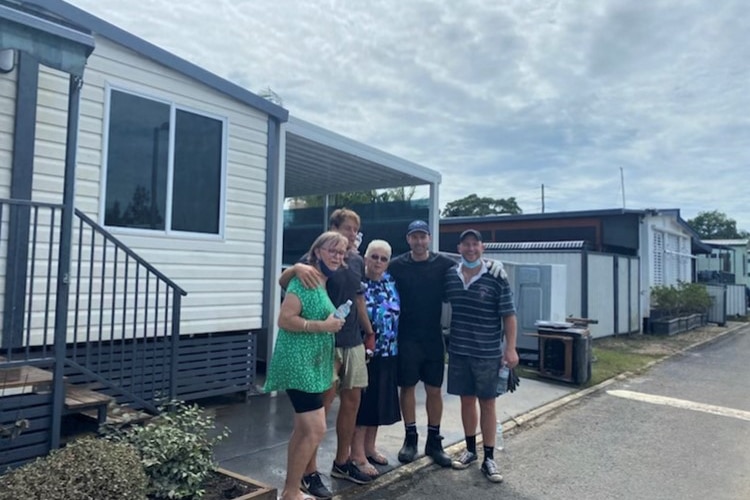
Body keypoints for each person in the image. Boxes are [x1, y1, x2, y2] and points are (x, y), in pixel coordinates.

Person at [279, 208, 374, 498]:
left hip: (348, 340)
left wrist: (369, 332)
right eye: (346, 228)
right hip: (318, 347)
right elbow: (285, 288)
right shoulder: (310, 268)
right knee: (318, 414)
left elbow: (358, 299)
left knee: (349, 402)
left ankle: (341, 463)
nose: (350, 236)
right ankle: (308, 474)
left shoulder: (352, 261)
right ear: (332, 228)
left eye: (354, 232)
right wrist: (296, 268)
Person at [264, 231, 349, 500]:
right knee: (316, 429)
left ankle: (291, 491)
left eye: (341, 252)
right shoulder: (305, 280)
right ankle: (291, 493)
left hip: (312, 367)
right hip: (297, 365)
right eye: (332, 251)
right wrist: (323, 326)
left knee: (303, 430)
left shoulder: (321, 281)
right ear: (317, 252)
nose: (337, 256)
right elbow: (284, 319)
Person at [444, 229, 518, 484]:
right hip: (460, 350)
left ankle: (489, 457)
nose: (471, 249)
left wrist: (510, 348)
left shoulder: (497, 276)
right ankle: (470, 450)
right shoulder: (451, 277)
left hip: (487, 353)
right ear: (459, 248)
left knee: (487, 403)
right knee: (466, 401)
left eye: (475, 244)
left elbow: (509, 315)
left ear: (482, 247)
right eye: (466, 245)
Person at [350, 239, 401, 477]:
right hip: (364, 353)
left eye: (383, 258)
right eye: (374, 257)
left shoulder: (391, 282)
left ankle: (370, 447)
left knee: (379, 402)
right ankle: (356, 454)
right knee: (363, 405)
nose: (378, 262)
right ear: (366, 258)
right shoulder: (358, 283)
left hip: (388, 351)